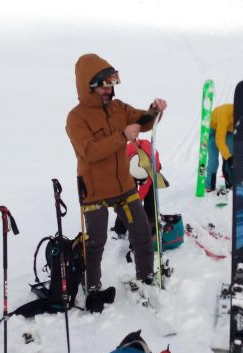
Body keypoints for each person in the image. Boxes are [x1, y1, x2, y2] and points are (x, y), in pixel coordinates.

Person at [65, 53, 167, 313]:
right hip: (94, 190)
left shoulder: (119, 107)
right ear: (89, 86)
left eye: (111, 84)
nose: (109, 90)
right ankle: (93, 286)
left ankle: (145, 276)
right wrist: (122, 136)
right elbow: (89, 151)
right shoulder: (76, 118)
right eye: (104, 85)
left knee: (142, 231)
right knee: (96, 240)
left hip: (122, 185)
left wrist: (153, 111)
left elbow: (142, 122)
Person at [112, 138, 168, 238]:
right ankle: (119, 229)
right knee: (125, 199)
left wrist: (135, 204)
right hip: (131, 168)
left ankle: (150, 226)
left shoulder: (151, 162)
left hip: (150, 169)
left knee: (150, 199)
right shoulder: (124, 155)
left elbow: (142, 192)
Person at [206, 103, 234, 193]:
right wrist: (227, 156)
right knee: (213, 160)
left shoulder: (241, 116)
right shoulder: (224, 116)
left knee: (231, 155)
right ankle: (209, 184)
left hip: (228, 132)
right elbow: (219, 140)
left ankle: (230, 183)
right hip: (213, 132)